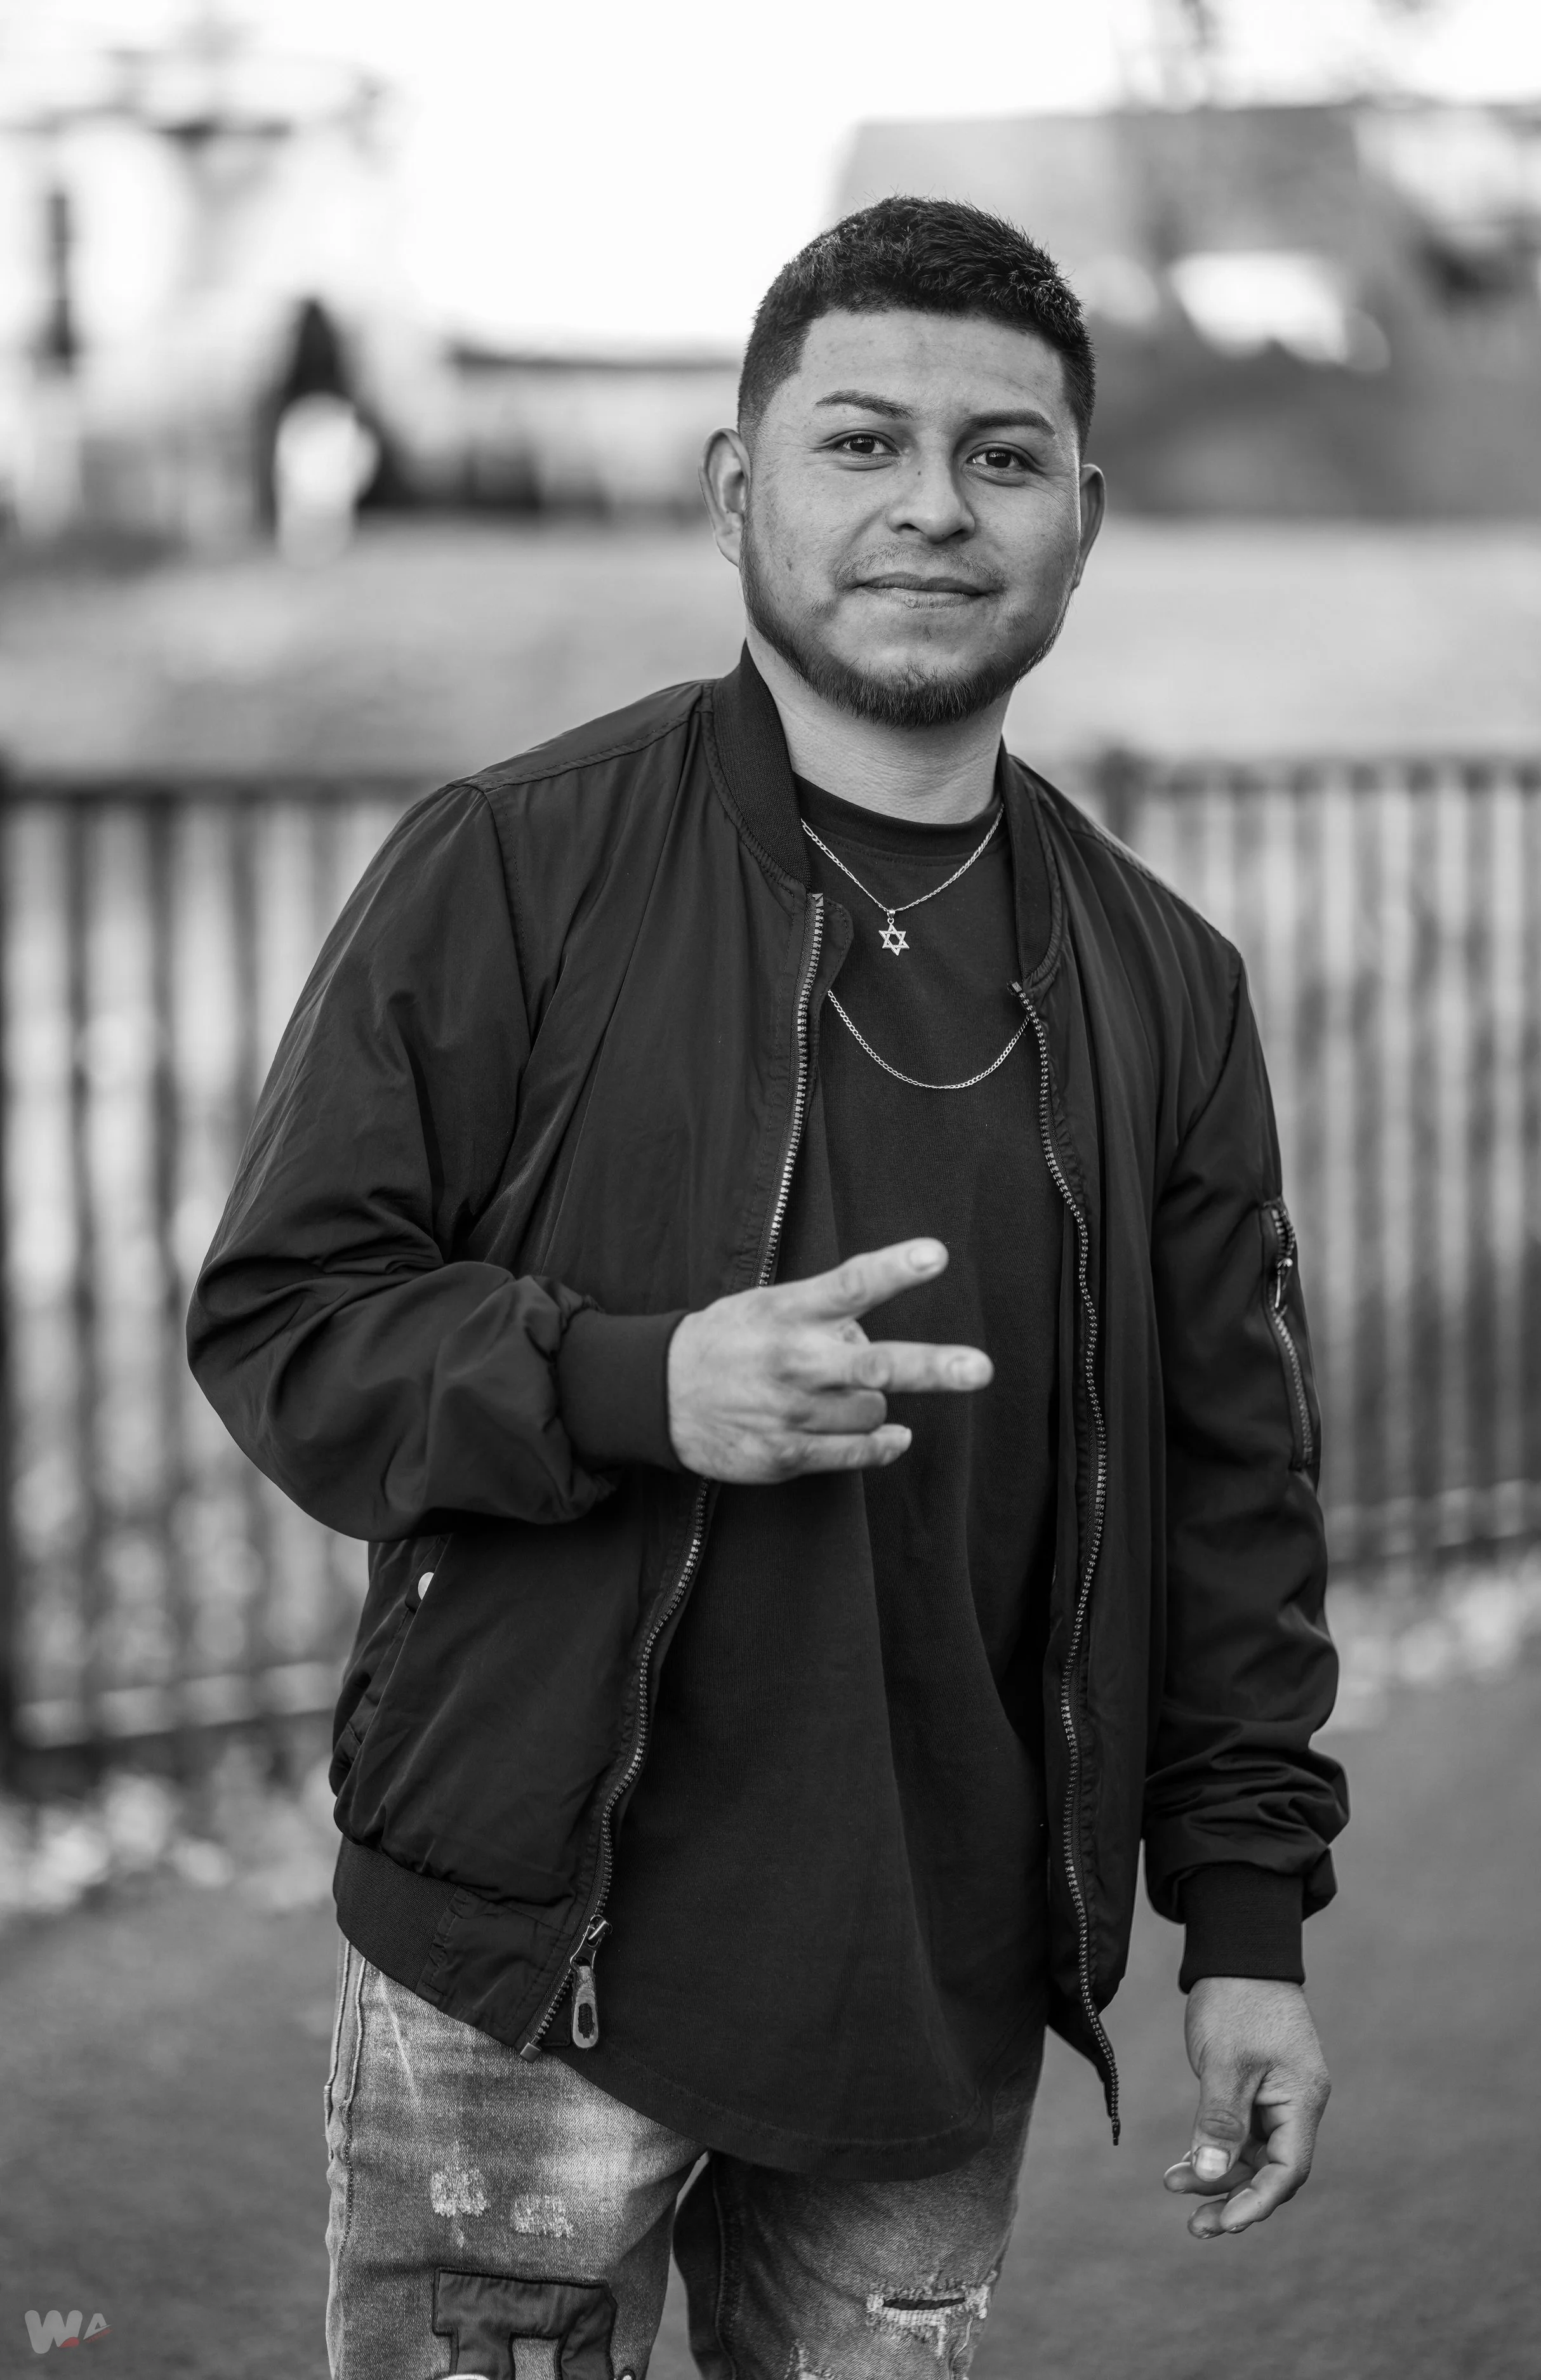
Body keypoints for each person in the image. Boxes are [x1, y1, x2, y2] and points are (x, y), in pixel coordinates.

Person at [189, 197, 1346, 2380]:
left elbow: (1233, 1494)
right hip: (526, 1971)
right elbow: (284, 1319)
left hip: (933, 1992)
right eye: (859, 443)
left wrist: (1250, 1925)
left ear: (1080, 522)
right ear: (740, 492)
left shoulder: (1165, 983)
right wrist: (636, 1384)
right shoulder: (516, 861)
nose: (931, 501)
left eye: (1002, 457)